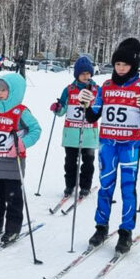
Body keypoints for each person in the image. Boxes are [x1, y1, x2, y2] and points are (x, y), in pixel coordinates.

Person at [79, 38, 140, 254]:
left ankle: (126, 231)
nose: (121, 68)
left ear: (133, 65)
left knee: (128, 189)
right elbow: (93, 116)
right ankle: (101, 227)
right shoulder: (106, 86)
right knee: (105, 186)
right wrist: (85, 103)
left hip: (130, 144)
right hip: (108, 145)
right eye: (117, 64)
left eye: (125, 64)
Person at [0, 73, 42, 244]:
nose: (0, 93)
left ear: (14, 91)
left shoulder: (21, 112)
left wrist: (22, 144)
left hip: (13, 164)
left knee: (13, 198)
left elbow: (36, 130)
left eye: (4, 90)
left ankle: (12, 229)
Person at [50, 56, 99, 198]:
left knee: (88, 162)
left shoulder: (96, 89)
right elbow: (62, 110)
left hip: (89, 133)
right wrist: (57, 108)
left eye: (88, 73)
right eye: (82, 73)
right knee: (70, 162)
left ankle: (85, 186)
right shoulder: (69, 89)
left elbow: (99, 109)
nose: (86, 76)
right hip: (71, 133)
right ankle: (69, 185)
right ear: (77, 74)